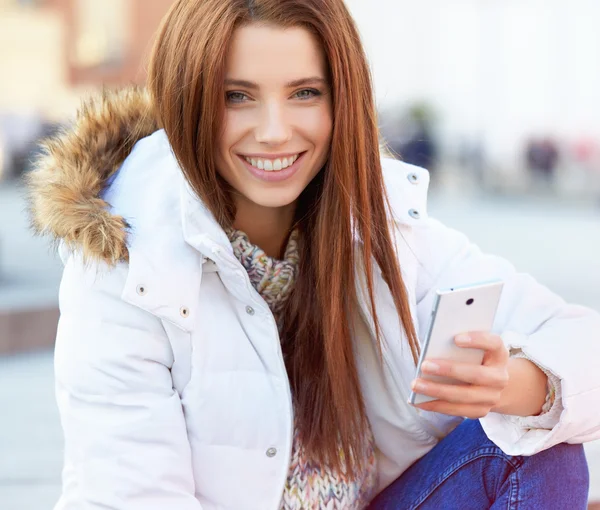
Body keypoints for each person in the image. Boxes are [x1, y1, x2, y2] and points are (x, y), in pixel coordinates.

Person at [26, 1, 599, 509]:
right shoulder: (128, 265)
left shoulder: (382, 226)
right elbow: (134, 496)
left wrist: (517, 385)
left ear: (340, 98)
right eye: (237, 96)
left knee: (537, 449)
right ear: (188, 100)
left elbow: (583, 343)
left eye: (305, 93)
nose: (275, 131)